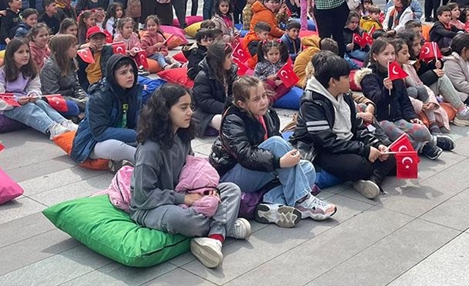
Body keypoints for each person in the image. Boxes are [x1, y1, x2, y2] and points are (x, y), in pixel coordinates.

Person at [128, 84, 251, 269]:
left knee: (231, 189)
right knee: (183, 220)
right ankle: (222, 225)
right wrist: (185, 198)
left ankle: (215, 237)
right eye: (183, 107)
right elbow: (142, 196)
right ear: (165, 111)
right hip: (150, 207)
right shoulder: (150, 149)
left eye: (190, 107)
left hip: (182, 194)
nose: (190, 112)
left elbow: (192, 173)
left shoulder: (181, 137)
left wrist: (208, 190)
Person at [210, 76, 336, 228]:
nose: (263, 101)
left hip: (260, 168)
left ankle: (270, 205)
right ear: (241, 104)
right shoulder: (232, 120)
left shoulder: (268, 113)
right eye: (256, 99)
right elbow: (245, 154)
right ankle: (302, 200)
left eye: (264, 95)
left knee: (307, 168)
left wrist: (290, 156)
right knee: (277, 145)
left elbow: (277, 140)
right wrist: (279, 162)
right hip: (234, 175)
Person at [292, 52, 396, 199]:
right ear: (333, 81)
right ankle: (371, 177)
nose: (350, 80)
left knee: (389, 155)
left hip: (346, 142)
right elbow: (326, 141)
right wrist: (365, 150)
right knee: (359, 165)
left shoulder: (344, 95)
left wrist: (377, 144)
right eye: (346, 77)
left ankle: (372, 181)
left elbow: (358, 127)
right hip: (319, 149)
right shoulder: (312, 102)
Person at [357, 38, 452, 159]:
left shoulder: (396, 74)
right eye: (385, 54)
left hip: (398, 117)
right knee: (400, 135)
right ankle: (422, 147)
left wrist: (411, 117)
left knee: (421, 130)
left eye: (392, 54)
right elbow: (376, 100)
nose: (390, 57)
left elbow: (404, 100)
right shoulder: (369, 78)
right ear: (375, 56)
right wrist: (386, 89)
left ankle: (431, 140)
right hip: (380, 120)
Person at [0, 38, 78, 138]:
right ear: (11, 55)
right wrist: (17, 101)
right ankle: (51, 128)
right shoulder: (2, 73)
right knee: (29, 108)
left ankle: (64, 122)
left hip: (25, 99)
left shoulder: (31, 70)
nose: (25, 55)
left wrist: (33, 95)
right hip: (7, 105)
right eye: (20, 52)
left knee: (41, 103)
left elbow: (35, 87)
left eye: (27, 51)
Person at [71, 54, 141, 167]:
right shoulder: (99, 96)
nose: (130, 76)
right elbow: (99, 132)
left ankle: (127, 162)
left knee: (152, 140)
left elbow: (138, 120)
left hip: (123, 134)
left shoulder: (133, 91)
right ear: (113, 76)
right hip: (92, 142)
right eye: (123, 73)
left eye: (131, 71)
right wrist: (136, 134)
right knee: (116, 147)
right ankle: (147, 163)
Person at [192, 42, 237, 135]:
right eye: (229, 57)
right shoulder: (203, 77)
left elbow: (233, 93)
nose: (232, 59)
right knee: (222, 120)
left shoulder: (231, 72)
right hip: (206, 113)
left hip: (226, 108)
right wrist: (226, 108)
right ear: (219, 60)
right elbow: (204, 101)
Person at [40, 34, 86, 116]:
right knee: (73, 108)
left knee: (94, 100)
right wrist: (79, 102)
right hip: (56, 100)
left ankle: (81, 116)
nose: (76, 48)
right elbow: (52, 94)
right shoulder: (49, 67)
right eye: (73, 46)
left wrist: (83, 98)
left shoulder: (71, 61)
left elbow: (76, 86)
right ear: (63, 49)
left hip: (71, 96)